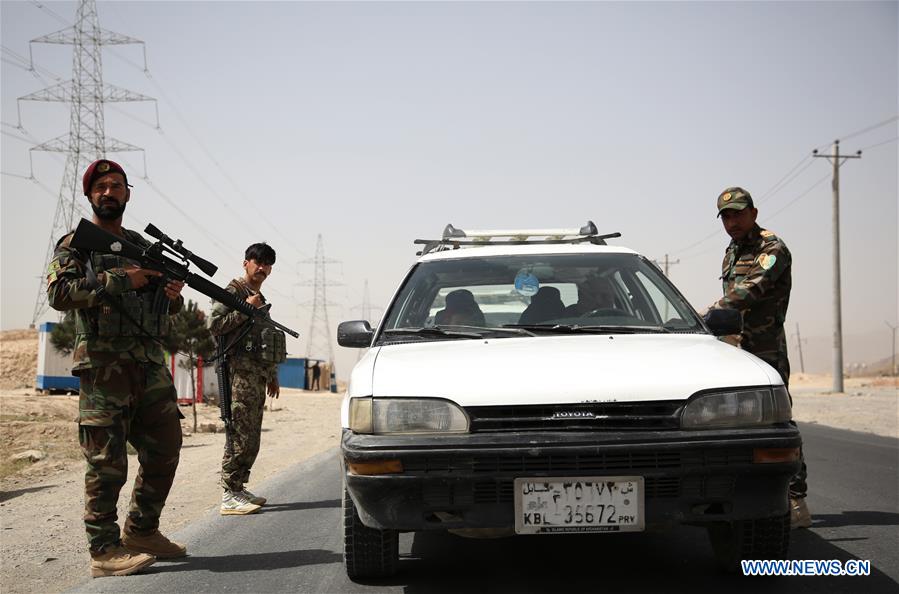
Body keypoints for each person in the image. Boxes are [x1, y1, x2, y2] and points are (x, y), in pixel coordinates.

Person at [47, 159, 187, 578]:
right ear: (90, 196)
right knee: (107, 461)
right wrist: (124, 280)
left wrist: (170, 294)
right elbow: (60, 293)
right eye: (101, 187)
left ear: (128, 194)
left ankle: (142, 530)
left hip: (148, 364)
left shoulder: (140, 247)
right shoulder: (77, 244)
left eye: (117, 186)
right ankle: (104, 550)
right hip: (104, 369)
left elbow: (160, 309)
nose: (109, 192)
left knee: (166, 448)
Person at [707, 186, 810, 529]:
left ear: (753, 212)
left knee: (777, 424)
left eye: (738, 213)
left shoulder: (772, 248)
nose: (733, 221)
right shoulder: (731, 251)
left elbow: (748, 290)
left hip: (765, 349)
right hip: (733, 349)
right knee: (730, 425)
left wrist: (704, 315)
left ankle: (795, 500)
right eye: (726, 216)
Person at [210, 243, 285, 516]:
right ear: (246, 263)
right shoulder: (234, 292)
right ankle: (229, 493)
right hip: (237, 375)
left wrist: (272, 375)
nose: (262, 268)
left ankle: (239, 487)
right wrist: (244, 308)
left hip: (256, 376)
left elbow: (266, 340)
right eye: (258, 262)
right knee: (239, 434)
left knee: (252, 436)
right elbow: (215, 326)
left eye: (267, 264)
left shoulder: (259, 297)